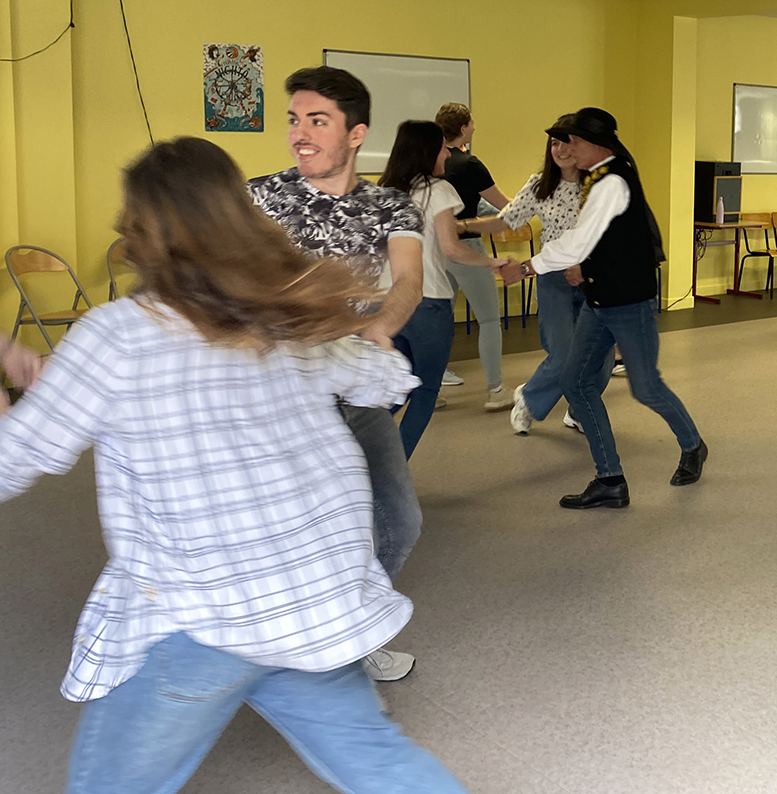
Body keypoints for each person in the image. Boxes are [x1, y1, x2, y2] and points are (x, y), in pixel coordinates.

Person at [0, 138, 468, 794]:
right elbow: (385, 377)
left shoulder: (115, 336)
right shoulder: (279, 322)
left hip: (200, 618)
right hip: (309, 598)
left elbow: (13, 459)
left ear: (141, 232)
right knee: (378, 760)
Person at [250, 66, 424, 683]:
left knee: (397, 520)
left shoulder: (389, 206)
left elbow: (407, 280)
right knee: (288, 526)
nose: (300, 133)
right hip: (274, 392)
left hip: (350, 385)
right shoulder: (258, 197)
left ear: (356, 134)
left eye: (317, 121)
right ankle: (289, 643)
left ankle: (351, 627)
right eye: (294, 119)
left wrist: (383, 323)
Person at [498, 108, 706, 510]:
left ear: (595, 144)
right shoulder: (597, 179)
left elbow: (578, 241)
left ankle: (693, 445)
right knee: (576, 382)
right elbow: (596, 243)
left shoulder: (612, 182)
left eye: (571, 141)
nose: (565, 149)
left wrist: (526, 267)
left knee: (646, 387)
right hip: (600, 300)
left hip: (629, 304)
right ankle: (610, 478)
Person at [380, 120, 506, 457]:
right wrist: (490, 263)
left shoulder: (384, 191)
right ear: (428, 151)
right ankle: (393, 469)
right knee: (425, 390)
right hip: (427, 301)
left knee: (395, 387)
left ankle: (361, 459)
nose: (448, 153)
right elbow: (452, 248)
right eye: (443, 147)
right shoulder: (438, 190)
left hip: (385, 305)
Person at [493, 118, 613, 435]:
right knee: (563, 356)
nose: (560, 150)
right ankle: (529, 400)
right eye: (554, 143)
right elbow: (507, 219)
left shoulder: (601, 184)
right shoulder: (539, 184)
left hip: (594, 278)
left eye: (567, 142)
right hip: (554, 279)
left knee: (599, 358)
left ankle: (577, 410)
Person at [435, 103, 512, 410]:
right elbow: (504, 205)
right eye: (472, 123)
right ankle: (495, 391)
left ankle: (432, 385)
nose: (475, 127)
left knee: (440, 318)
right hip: (466, 248)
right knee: (490, 319)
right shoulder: (470, 163)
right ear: (464, 127)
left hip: (435, 251)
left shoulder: (432, 160)